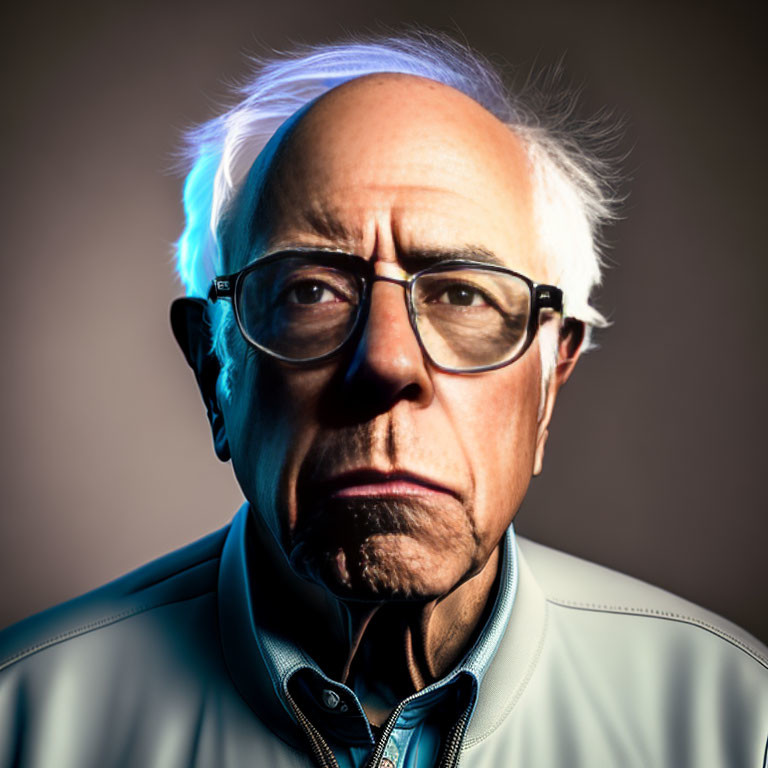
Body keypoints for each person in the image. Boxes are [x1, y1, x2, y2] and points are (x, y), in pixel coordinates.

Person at [1, 32, 766, 768]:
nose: (387, 361)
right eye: (311, 291)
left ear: (548, 382)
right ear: (213, 366)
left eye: (463, 293)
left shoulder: (741, 726)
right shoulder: (19, 724)